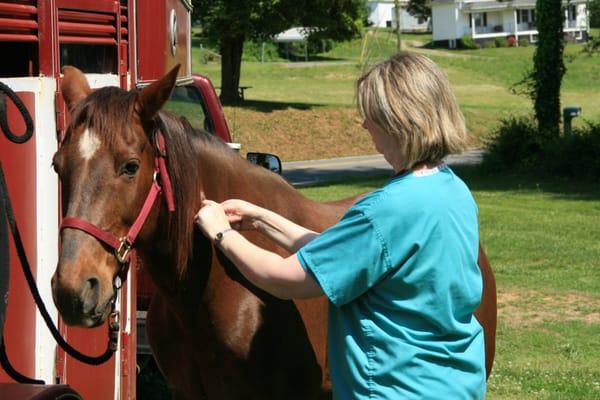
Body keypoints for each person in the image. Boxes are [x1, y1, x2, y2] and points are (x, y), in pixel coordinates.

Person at [195, 52, 486, 399]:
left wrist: (220, 233)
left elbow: (286, 279)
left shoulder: (386, 211)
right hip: (452, 386)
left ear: (398, 120)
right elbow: (342, 255)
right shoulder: (452, 190)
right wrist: (261, 219)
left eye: (371, 114)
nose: (364, 124)